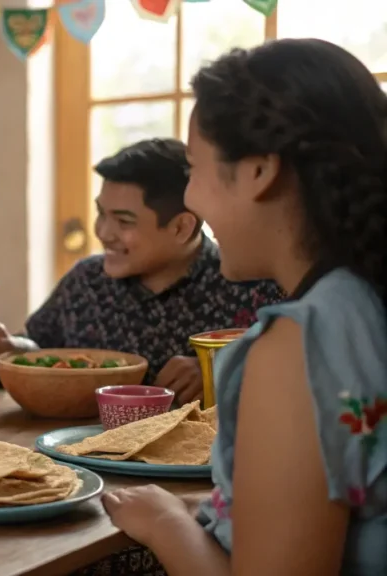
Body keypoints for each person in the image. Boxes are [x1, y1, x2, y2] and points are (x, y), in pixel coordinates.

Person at [101, 39, 387, 575]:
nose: (189, 199)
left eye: (192, 168)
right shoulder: (364, 300)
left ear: (259, 170)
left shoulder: (300, 343)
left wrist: (164, 521)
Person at [0, 138, 283, 404]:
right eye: (100, 213)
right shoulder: (86, 281)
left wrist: (219, 369)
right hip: (73, 452)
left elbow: (301, 373)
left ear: (181, 228)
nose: (103, 233)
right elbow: (41, 352)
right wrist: (11, 348)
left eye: (123, 222)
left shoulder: (253, 285)